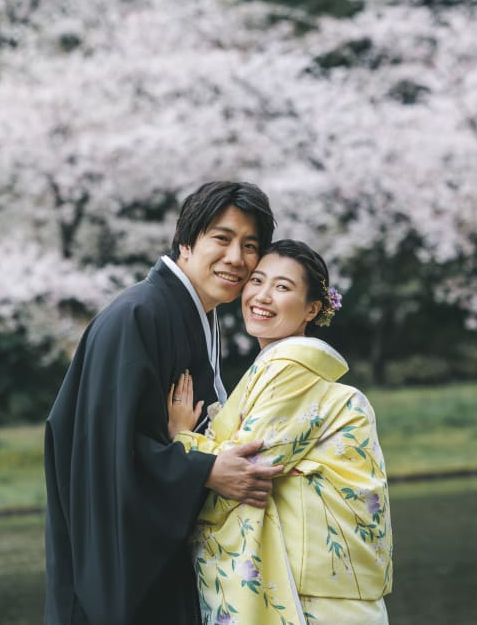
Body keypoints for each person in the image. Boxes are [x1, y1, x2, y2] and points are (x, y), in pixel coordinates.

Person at [43, 181, 285, 625]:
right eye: (222, 238)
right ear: (186, 241)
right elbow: (102, 456)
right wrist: (202, 468)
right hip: (120, 588)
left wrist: (189, 445)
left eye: (251, 245)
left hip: (170, 571)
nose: (236, 258)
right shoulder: (137, 316)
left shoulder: (196, 317)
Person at [168, 240, 394, 625]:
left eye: (283, 287)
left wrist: (182, 439)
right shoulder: (279, 370)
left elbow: (243, 469)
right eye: (257, 281)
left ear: (313, 309)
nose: (262, 296)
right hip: (329, 591)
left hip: (311, 597)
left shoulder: (293, 367)